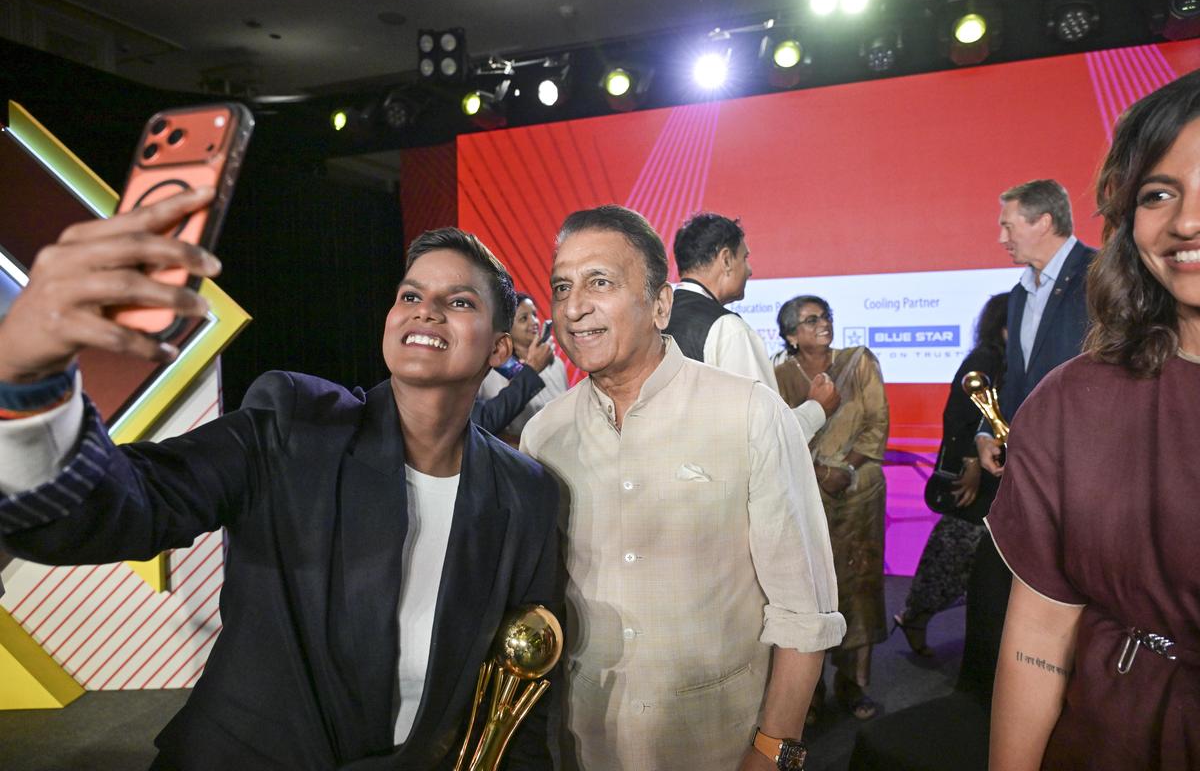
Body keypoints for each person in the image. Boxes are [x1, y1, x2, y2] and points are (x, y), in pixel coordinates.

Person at [0, 193, 559, 770]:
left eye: (458, 301)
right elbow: (127, 503)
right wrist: (27, 392)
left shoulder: (526, 494)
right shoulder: (297, 424)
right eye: (410, 295)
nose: (426, 310)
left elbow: (523, 687)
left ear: (499, 347)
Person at [521, 205, 845, 771]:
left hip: (719, 745)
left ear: (662, 303)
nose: (574, 307)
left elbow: (804, 610)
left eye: (600, 282)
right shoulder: (544, 436)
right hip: (584, 746)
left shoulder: (748, 413)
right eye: (562, 287)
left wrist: (773, 752)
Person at [987, 70, 1200, 770]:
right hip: (1112, 731)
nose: (1186, 221)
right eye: (1159, 194)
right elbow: (1040, 636)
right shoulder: (1073, 401)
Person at [963, 179, 1097, 698]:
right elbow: (1016, 379)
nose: (1000, 236)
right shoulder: (1021, 292)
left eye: (1008, 223)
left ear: (1044, 221)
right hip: (1028, 474)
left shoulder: (1101, 275)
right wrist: (986, 428)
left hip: (1085, 475)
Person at [773, 295, 889, 722]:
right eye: (811, 320)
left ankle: (854, 684)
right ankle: (809, 692)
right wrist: (817, 474)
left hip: (858, 495)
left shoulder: (858, 363)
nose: (823, 324)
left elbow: (877, 424)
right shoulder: (776, 375)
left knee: (859, 588)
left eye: (826, 316)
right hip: (803, 497)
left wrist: (845, 469)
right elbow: (774, 435)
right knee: (807, 594)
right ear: (790, 334)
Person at [893, 292, 1009, 657]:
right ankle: (916, 615)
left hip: (997, 479)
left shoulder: (1008, 359)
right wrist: (972, 464)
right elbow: (959, 415)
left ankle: (919, 615)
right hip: (974, 478)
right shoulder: (985, 359)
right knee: (954, 552)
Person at [664, 212, 838, 440]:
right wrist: (817, 408)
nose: (750, 270)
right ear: (726, 260)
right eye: (744, 258)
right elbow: (766, 436)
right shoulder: (728, 329)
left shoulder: (655, 319)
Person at [476, 292, 566, 445]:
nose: (534, 322)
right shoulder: (491, 370)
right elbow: (485, 421)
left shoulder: (556, 364)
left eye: (534, 315)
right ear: (508, 329)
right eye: (524, 318)